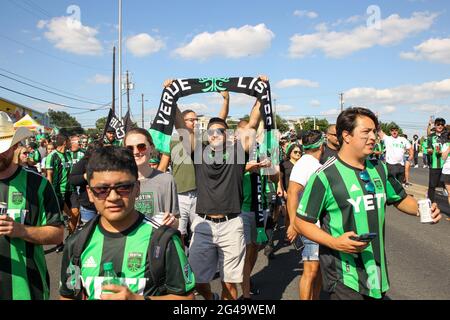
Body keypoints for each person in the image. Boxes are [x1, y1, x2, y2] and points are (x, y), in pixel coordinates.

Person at [294, 107, 442, 300]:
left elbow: (401, 198)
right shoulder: (325, 176)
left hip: (376, 271)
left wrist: (424, 210)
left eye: (374, 131)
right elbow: (301, 222)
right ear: (346, 135)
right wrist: (334, 242)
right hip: (343, 275)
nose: (373, 137)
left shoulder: (379, 168)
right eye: (366, 132)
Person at [169, 76, 268, 300]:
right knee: (196, 282)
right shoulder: (198, 153)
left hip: (232, 225)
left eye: (220, 131)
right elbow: (179, 125)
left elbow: (252, 123)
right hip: (202, 224)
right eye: (211, 131)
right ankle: (211, 298)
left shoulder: (237, 154)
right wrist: (172, 96)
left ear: (228, 135)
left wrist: (261, 93)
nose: (215, 134)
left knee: (229, 284)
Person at [59, 147, 195, 300]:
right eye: (102, 189)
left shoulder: (163, 240)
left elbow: (187, 298)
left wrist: (138, 299)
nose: (113, 197)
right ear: (90, 193)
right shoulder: (77, 243)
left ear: (137, 188)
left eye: (123, 187)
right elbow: (68, 296)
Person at [0, 111, 64, 300]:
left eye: (2, 148)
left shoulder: (38, 184)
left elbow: (58, 234)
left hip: (28, 289)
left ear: (15, 146)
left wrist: (21, 230)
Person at [158, 91, 230, 244]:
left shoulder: (203, 139)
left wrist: (226, 99)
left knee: (200, 231)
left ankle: (197, 261)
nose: (195, 123)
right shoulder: (172, 141)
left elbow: (220, 122)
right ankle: (182, 262)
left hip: (200, 194)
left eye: (196, 120)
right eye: (191, 120)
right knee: (179, 233)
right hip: (179, 196)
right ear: (182, 122)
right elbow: (162, 168)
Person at [238, 120, 277, 300]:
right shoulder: (233, 153)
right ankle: (245, 289)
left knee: (254, 247)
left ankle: (247, 278)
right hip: (241, 208)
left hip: (260, 207)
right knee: (244, 251)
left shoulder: (260, 151)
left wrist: (268, 165)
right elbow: (228, 169)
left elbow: (276, 175)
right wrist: (251, 166)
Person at [287, 130, 325, 300]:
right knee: (310, 271)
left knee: (318, 271)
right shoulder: (305, 164)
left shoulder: (314, 164)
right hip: (310, 226)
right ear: (321, 146)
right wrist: (294, 224)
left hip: (319, 227)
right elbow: (292, 193)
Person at [124, 128, 179, 227]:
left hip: (157, 240)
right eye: (130, 148)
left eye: (141, 147)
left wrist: (173, 222)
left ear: (151, 148)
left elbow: (175, 220)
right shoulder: (119, 182)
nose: (136, 152)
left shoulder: (166, 180)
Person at [69, 141, 103, 225]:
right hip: (88, 205)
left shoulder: (104, 162)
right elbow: (72, 180)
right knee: (88, 230)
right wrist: (85, 176)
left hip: (103, 202)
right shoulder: (83, 163)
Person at [277, 143, 302, 242]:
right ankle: (288, 235)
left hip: (302, 193)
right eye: (295, 152)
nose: (298, 154)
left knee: (300, 215)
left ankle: (299, 233)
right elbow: (280, 178)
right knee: (289, 215)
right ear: (290, 152)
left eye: (300, 152)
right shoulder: (284, 163)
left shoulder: (302, 163)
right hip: (289, 193)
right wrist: (282, 190)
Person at [426, 118, 447, 203]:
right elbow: (429, 148)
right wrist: (430, 151)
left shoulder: (447, 136)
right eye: (438, 124)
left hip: (446, 165)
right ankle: (430, 203)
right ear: (435, 125)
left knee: (447, 185)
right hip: (434, 164)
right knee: (432, 185)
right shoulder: (431, 137)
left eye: (442, 124)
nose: (440, 126)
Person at [442, 133, 450, 213]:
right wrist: (448, 149)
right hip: (447, 171)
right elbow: (443, 157)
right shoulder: (445, 145)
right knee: (449, 193)